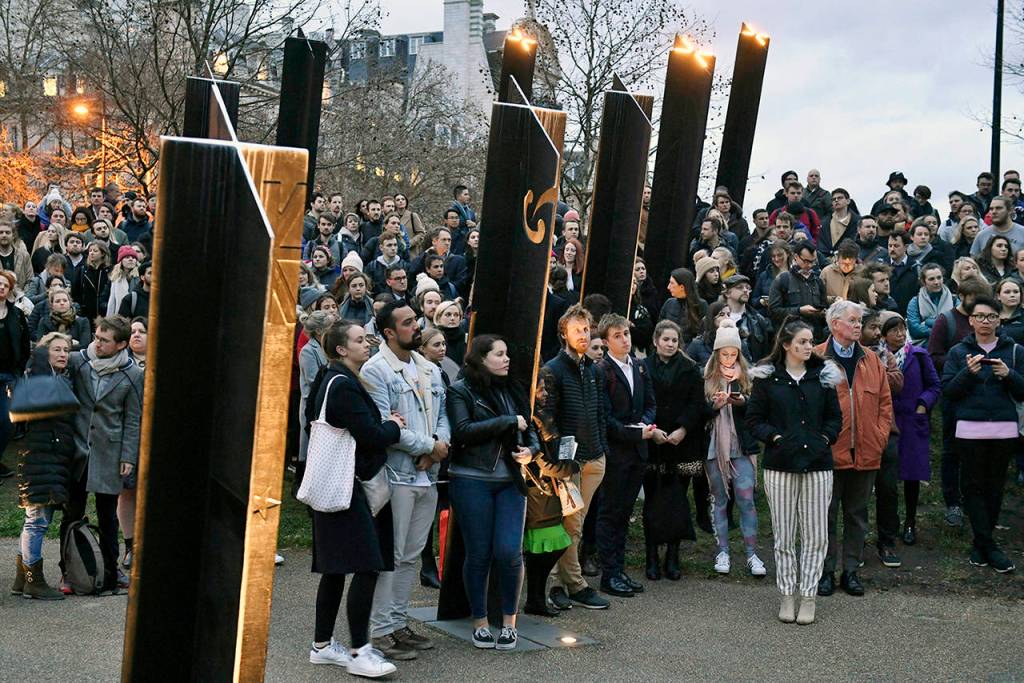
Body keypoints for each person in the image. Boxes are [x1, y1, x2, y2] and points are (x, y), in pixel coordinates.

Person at [305, 320, 403, 677]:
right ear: (341, 349)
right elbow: (372, 435)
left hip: (336, 484)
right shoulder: (343, 386)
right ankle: (360, 650)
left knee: (335, 569)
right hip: (350, 486)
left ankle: (321, 645)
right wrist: (394, 424)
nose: (367, 344)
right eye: (360, 340)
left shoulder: (327, 379)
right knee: (366, 565)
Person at [362, 301, 450, 659]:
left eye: (416, 320)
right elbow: (387, 426)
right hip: (396, 475)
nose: (417, 326)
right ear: (388, 332)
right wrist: (429, 446)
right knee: (392, 554)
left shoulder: (428, 367)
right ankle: (380, 630)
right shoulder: (375, 370)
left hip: (427, 474)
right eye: (409, 322)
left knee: (412, 555)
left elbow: (443, 414)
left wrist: (439, 447)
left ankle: (398, 622)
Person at [445, 334, 540, 650]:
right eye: (499, 354)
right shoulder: (461, 390)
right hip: (471, 479)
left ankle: (510, 623)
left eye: (507, 352)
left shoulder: (513, 389)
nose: (507, 358)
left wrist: (532, 452)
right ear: (481, 358)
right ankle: (480, 622)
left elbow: (531, 429)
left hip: (510, 481)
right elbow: (463, 432)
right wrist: (506, 421)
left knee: (508, 551)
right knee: (479, 553)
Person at [747, 319, 842, 625]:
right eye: (801, 341)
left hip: (817, 465)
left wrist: (824, 440)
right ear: (786, 344)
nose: (807, 346)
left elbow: (834, 419)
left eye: (810, 341)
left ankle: (809, 595)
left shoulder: (823, 376)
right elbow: (754, 419)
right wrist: (775, 438)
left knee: (815, 535)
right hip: (780, 465)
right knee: (784, 534)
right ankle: (787, 594)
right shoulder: (768, 377)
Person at [814, 300, 894, 597]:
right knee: (825, 515)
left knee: (857, 514)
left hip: (867, 451)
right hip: (829, 454)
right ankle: (825, 571)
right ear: (835, 324)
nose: (859, 325)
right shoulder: (817, 357)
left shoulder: (872, 359)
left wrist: (880, 436)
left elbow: (885, 404)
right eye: (852, 320)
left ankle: (850, 570)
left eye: (860, 320)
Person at [942, 296, 1024, 573]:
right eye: (980, 316)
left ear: (999, 320)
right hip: (969, 429)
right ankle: (988, 545)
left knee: (995, 487)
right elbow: (949, 392)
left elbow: (1022, 391)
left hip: (1004, 429)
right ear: (971, 320)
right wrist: (969, 373)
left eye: (991, 316)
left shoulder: (1015, 351)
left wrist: (1009, 374)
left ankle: (982, 544)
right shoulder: (957, 352)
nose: (985, 321)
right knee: (973, 487)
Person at [539, 304, 610, 611]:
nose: (583, 335)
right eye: (577, 329)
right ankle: (567, 583)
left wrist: (602, 447)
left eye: (586, 329)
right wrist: (562, 461)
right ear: (563, 332)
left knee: (575, 525)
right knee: (571, 525)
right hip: (570, 463)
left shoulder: (593, 369)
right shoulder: (552, 369)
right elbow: (544, 418)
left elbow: (599, 413)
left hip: (594, 458)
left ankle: (565, 581)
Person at [65, 315, 143, 593]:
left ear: (121, 345)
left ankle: (111, 572)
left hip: (110, 451)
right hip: (79, 449)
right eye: (97, 337)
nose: (97, 343)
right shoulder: (78, 361)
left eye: (104, 340)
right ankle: (69, 572)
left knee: (107, 515)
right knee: (72, 511)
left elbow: (133, 418)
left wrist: (128, 456)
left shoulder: (132, 374)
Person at [595, 314, 658, 598]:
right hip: (617, 452)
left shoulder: (640, 367)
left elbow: (650, 403)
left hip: (638, 451)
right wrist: (634, 432)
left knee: (624, 512)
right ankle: (609, 573)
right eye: (618, 335)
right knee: (611, 513)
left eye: (626, 334)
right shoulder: (603, 370)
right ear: (607, 341)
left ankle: (619, 570)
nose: (625, 339)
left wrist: (645, 423)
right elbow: (605, 418)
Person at [11, 332, 76, 600]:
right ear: (44, 353)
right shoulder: (39, 378)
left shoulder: (52, 378)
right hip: (40, 460)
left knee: (36, 521)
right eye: (56, 349)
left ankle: (21, 579)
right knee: (36, 522)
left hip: (47, 460)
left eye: (66, 350)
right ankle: (33, 581)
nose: (62, 354)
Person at [642, 321, 705, 580]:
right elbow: (639, 402)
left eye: (674, 340)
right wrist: (651, 429)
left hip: (683, 445)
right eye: (666, 339)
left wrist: (683, 429)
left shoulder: (690, 369)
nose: (670, 344)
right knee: (653, 500)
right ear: (656, 341)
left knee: (678, 499)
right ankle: (651, 556)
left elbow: (697, 404)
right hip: (652, 443)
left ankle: (673, 555)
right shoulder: (643, 368)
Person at [927, 275, 991, 527]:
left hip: (984, 395)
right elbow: (934, 355)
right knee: (953, 450)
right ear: (962, 296)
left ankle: (977, 499)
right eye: (972, 300)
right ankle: (953, 501)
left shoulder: (985, 320)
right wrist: (962, 363)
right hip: (955, 392)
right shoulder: (947, 321)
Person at [702, 320, 764, 576]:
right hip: (714, 448)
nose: (729, 358)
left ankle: (752, 554)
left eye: (733, 353)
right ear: (717, 354)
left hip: (743, 447)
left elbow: (757, 412)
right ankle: (722, 552)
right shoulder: (706, 378)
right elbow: (698, 413)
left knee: (746, 499)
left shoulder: (748, 378)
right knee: (719, 499)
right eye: (724, 353)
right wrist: (713, 406)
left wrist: (741, 402)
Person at [878, 315, 940, 546]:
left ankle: (911, 522)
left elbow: (934, 385)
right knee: (887, 477)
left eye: (902, 329)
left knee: (912, 475)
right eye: (893, 331)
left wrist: (923, 405)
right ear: (884, 335)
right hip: (887, 420)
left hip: (913, 421)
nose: (900, 334)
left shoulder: (919, 355)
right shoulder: (876, 356)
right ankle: (889, 524)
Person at [522, 370, 575, 616]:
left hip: (547, 489)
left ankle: (535, 599)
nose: (544, 394)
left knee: (548, 548)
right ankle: (534, 599)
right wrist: (563, 468)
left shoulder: (543, 416)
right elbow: (539, 458)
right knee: (545, 547)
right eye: (539, 390)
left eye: (545, 389)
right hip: (537, 489)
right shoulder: (531, 421)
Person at [0, 271, 30, 481]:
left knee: (6, 422)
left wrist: (18, 370)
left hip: (9, 376)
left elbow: (25, 345)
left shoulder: (16, 315)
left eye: (5, 285)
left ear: (10, 290)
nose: (1, 287)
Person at [768, 241, 828, 340]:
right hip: (790, 336)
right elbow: (774, 311)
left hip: (815, 337)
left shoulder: (818, 281)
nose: (810, 265)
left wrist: (822, 312)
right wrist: (799, 311)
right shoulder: (783, 279)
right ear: (796, 257)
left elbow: (824, 306)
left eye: (813, 262)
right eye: (806, 261)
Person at [723, 274, 772, 361]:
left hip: (752, 370)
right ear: (727, 293)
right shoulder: (716, 318)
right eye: (740, 287)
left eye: (747, 288)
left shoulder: (759, 320)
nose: (745, 290)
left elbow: (766, 353)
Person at [906, 264, 954, 345]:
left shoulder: (954, 299)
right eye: (931, 279)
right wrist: (941, 330)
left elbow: (957, 324)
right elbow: (914, 329)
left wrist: (928, 322)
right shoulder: (915, 302)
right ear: (923, 281)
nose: (936, 282)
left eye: (939, 278)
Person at [659, 267, 706, 345]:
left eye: (672, 283)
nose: (668, 287)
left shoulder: (701, 305)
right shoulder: (669, 303)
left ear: (682, 287)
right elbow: (659, 330)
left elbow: (703, 333)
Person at [71, 241, 111, 326]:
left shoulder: (110, 271)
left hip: (105, 313)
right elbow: (75, 292)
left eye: (95, 251)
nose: (92, 253)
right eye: (90, 251)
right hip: (86, 314)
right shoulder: (82, 271)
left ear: (103, 254)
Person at [885, 232, 919, 314]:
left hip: (910, 313)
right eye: (890, 246)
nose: (892, 249)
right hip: (887, 313)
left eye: (896, 246)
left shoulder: (916, 267)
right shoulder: (882, 267)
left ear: (906, 247)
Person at [105, 246, 140, 317]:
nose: (131, 259)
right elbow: (112, 301)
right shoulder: (115, 279)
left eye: (133, 258)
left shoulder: (140, 277)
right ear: (121, 261)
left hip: (137, 318)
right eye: (127, 257)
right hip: (120, 318)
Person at [433, 300, 466, 367]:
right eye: (448, 314)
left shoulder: (466, 339)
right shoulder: (432, 337)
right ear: (439, 317)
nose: (452, 318)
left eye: (456, 315)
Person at [996, 278, 1024, 343]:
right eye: (1007, 292)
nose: (1012, 295)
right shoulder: (991, 315)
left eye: (1016, 292)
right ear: (998, 296)